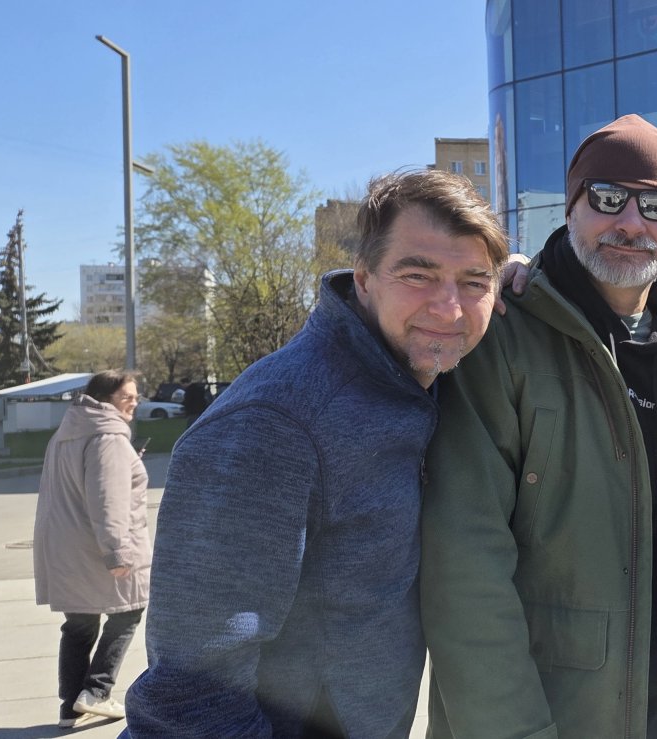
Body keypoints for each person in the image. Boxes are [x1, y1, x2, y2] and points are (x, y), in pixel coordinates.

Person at [123, 169, 508, 737]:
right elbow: (191, 689)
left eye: (474, 282)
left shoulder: (413, 381)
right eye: (417, 275)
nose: (450, 308)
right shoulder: (273, 424)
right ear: (364, 279)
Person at [421, 114, 657, 738]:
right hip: (549, 715)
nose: (631, 222)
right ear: (571, 206)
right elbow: (464, 569)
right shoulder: (502, 337)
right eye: (607, 198)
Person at [33, 370, 150, 728]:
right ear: (104, 399)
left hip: (65, 547)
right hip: (97, 547)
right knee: (129, 611)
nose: (134, 403)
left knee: (79, 625)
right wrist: (117, 552)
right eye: (126, 397)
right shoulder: (108, 437)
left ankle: (70, 708)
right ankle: (97, 691)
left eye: (136, 397)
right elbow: (108, 500)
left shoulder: (67, 433)